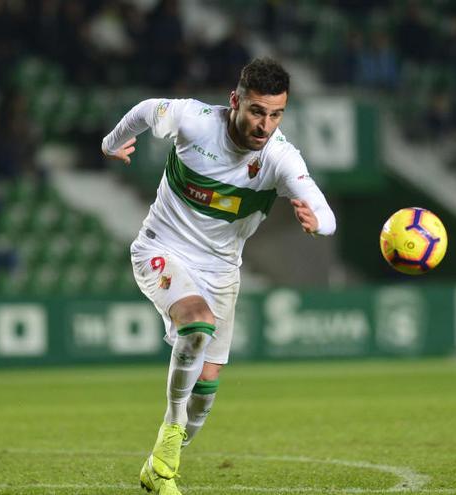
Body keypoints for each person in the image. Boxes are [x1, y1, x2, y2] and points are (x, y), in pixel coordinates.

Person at [101, 58, 335, 495]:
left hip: (222, 272)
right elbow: (148, 109)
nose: (265, 125)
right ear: (235, 102)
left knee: (205, 395)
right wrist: (112, 143)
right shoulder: (194, 120)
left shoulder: (280, 157)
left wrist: (316, 222)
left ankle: (159, 466)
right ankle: (169, 433)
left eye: (276, 114)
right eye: (257, 111)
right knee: (196, 323)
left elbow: (326, 213)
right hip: (161, 249)